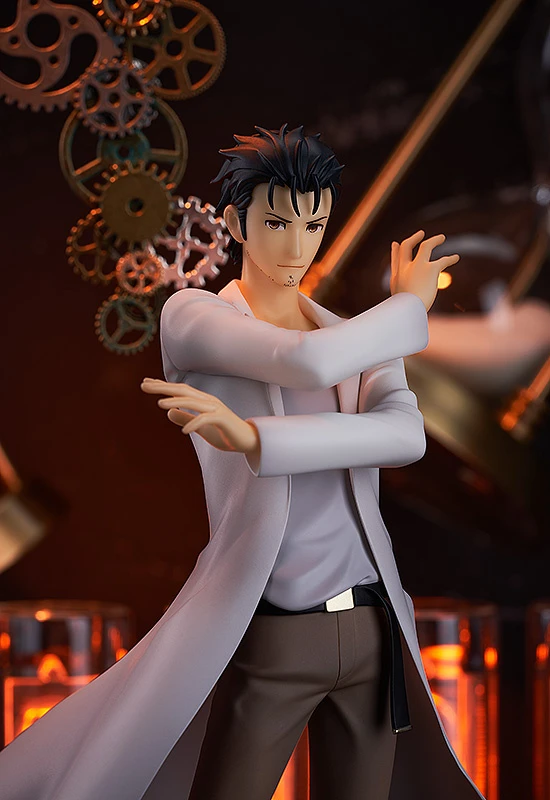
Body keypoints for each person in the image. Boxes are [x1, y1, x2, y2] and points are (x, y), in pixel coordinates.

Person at [0, 125, 484, 800]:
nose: (297, 247)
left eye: (314, 225)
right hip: (274, 631)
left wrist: (262, 441)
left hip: (371, 629)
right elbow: (304, 363)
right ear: (235, 223)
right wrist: (406, 308)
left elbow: (405, 437)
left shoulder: (355, 336)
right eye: (277, 223)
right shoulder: (196, 318)